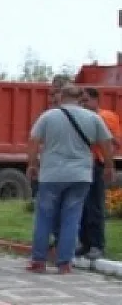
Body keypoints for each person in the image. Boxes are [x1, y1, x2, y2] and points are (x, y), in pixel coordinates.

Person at [27, 85, 113, 274]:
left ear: (62, 96)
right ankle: (65, 263)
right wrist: (108, 166)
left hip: (51, 175)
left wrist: (32, 164)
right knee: (72, 218)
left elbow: (33, 140)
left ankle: (38, 261)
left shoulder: (48, 116)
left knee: (44, 217)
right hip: (81, 175)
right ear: (80, 98)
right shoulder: (93, 118)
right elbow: (107, 143)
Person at [77, 87, 118, 260]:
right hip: (80, 164)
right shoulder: (80, 117)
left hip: (96, 164)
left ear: (95, 100)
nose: (83, 104)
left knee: (95, 206)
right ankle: (84, 243)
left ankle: (96, 245)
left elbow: (114, 141)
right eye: (81, 101)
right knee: (82, 206)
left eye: (85, 100)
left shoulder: (106, 117)